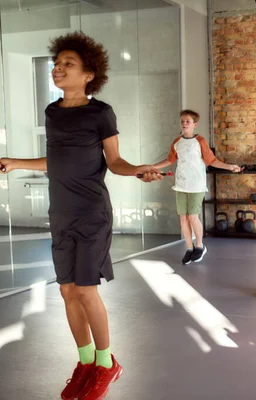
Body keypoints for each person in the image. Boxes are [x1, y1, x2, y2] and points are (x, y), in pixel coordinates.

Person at [0, 32, 163, 400]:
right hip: (60, 213)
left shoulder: (100, 113)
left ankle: (107, 364)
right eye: (57, 63)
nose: (58, 68)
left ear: (89, 74)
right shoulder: (52, 112)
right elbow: (54, 160)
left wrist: (138, 169)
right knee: (67, 290)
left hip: (91, 214)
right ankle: (86, 361)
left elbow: (114, 161)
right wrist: (14, 163)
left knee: (86, 289)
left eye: (67, 64)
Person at [152, 109, 242, 264]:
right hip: (180, 185)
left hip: (196, 185)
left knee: (193, 217)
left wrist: (229, 167)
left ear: (195, 124)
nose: (184, 124)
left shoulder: (200, 141)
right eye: (182, 121)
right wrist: (151, 167)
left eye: (187, 121)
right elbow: (169, 161)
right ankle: (189, 248)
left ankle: (200, 246)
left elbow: (212, 161)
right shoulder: (177, 142)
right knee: (183, 219)